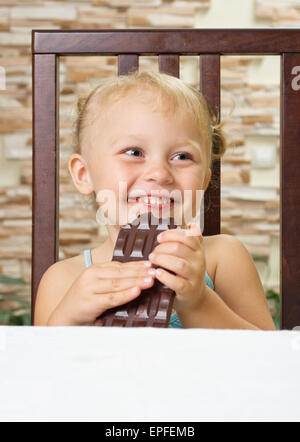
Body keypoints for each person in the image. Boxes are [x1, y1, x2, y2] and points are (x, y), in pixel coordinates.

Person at [34, 70, 276, 330]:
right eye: (134, 152)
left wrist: (199, 302)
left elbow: (265, 358)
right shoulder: (64, 279)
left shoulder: (222, 258)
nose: (160, 173)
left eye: (182, 157)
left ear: (203, 182)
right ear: (84, 174)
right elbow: (44, 367)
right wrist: (69, 317)